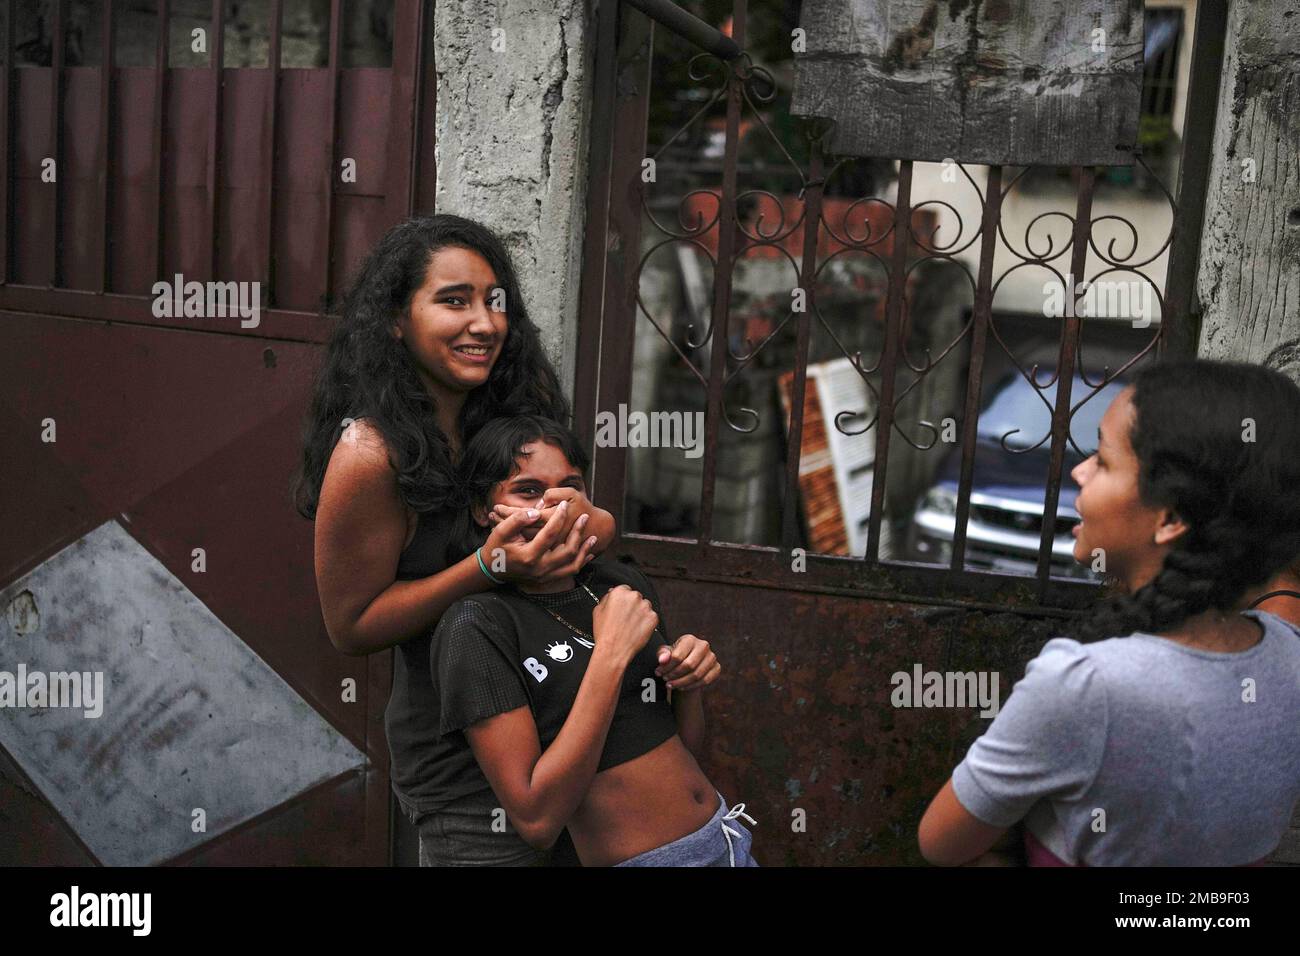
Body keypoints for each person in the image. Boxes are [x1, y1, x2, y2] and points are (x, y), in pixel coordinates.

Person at [293, 214, 618, 866]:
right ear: (394, 319)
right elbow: (351, 626)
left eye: (494, 302)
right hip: (463, 758)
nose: (485, 323)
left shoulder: (514, 406)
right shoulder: (369, 453)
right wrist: (489, 565)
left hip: (567, 722)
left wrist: (584, 523)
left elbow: (592, 515)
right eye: (453, 301)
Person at [918, 358, 1300, 866]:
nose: (1078, 471)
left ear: (1169, 518)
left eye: (1101, 460)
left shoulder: (1085, 683)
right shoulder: (1288, 656)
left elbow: (940, 844)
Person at [428, 415, 759, 866]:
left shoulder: (616, 582)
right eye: (528, 491)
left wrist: (689, 684)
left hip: (725, 840)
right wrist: (611, 655)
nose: (556, 508)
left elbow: (682, 746)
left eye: (571, 487)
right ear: (482, 510)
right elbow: (537, 819)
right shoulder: (478, 624)